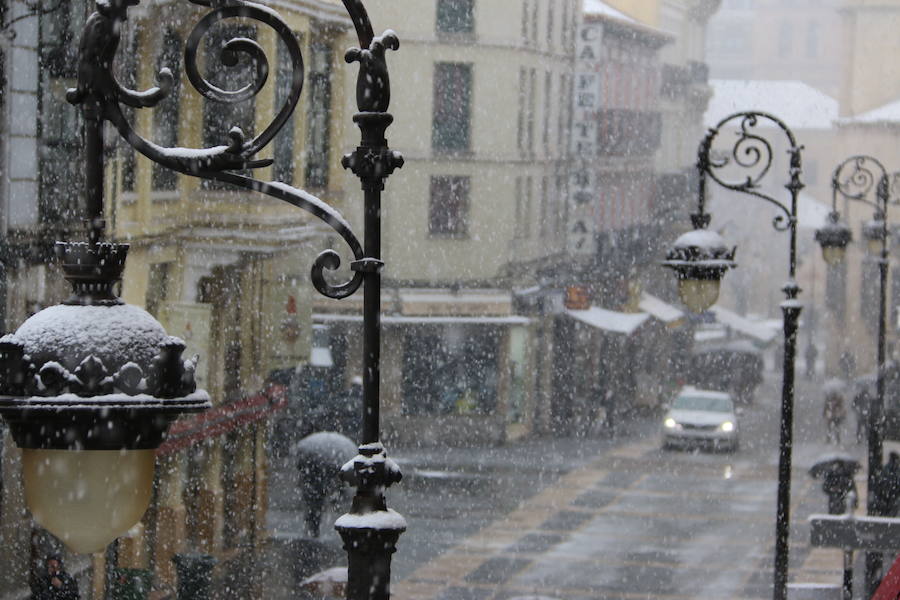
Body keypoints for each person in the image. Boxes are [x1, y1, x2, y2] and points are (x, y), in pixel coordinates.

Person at [295, 432, 357, 537]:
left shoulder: (309, 451)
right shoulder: (336, 455)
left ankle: (312, 527)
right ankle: (313, 527)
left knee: (313, 506)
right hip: (317, 485)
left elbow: (300, 467)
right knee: (314, 505)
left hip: (313, 486)